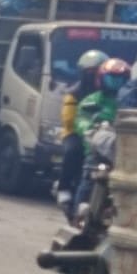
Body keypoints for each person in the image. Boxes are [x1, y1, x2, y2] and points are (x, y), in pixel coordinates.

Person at [70, 57, 129, 219]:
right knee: (89, 178)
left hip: (122, 149)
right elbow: (81, 119)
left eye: (120, 80)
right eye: (111, 79)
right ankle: (78, 215)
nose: (115, 84)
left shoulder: (127, 100)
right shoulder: (93, 100)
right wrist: (90, 130)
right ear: (101, 79)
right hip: (96, 149)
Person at [54, 49, 108, 209]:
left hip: (103, 134)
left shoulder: (108, 93)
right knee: (73, 151)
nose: (93, 76)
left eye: (97, 72)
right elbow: (69, 120)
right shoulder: (74, 93)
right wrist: (86, 129)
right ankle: (63, 187)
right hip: (76, 133)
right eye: (90, 72)